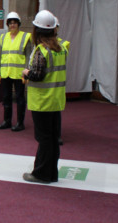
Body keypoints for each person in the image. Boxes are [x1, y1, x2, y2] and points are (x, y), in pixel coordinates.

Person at [21, 10, 68, 184]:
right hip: (56, 100)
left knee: (44, 139)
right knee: (53, 138)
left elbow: (37, 75)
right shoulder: (61, 48)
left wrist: (26, 72)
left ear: (37, 30)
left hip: (42, 101)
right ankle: (51, 173)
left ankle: (41, 174)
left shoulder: (42, 51)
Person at [0, 12, 32, 132]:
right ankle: (7, 121)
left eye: (14, 23)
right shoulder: (3, 37)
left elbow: (28, 56)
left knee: (20, 98)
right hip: (6, 72)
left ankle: (20, 123)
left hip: (19, 74)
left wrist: (27, 72)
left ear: (18, 24)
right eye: (10, 23)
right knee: (6, 97)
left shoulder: (25, 37)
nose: (12, 25)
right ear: (7, 24)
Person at [54, 15, 69, 146]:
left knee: (55, 114)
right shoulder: (40, 46)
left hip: (56, 86)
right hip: (46, 87)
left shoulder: (63, 45)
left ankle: (57, 135)